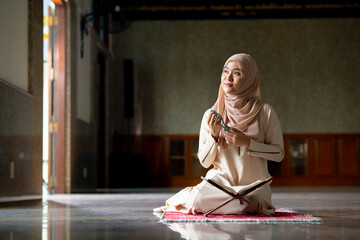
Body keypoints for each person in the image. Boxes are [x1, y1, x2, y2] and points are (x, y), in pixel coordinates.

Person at [154, 53, 284, 216]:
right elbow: (204, 161)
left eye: (237, 73)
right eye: (225, 71)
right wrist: (214, 137)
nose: (228, 77)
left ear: (250, 79)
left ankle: (236, 204)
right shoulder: (211, 115)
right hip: (220, 184)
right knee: (199, 200)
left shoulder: (265, 112)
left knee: (252, 199)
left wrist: (248, 143)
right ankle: (236, 205)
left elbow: (278, 154)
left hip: (254, 185)